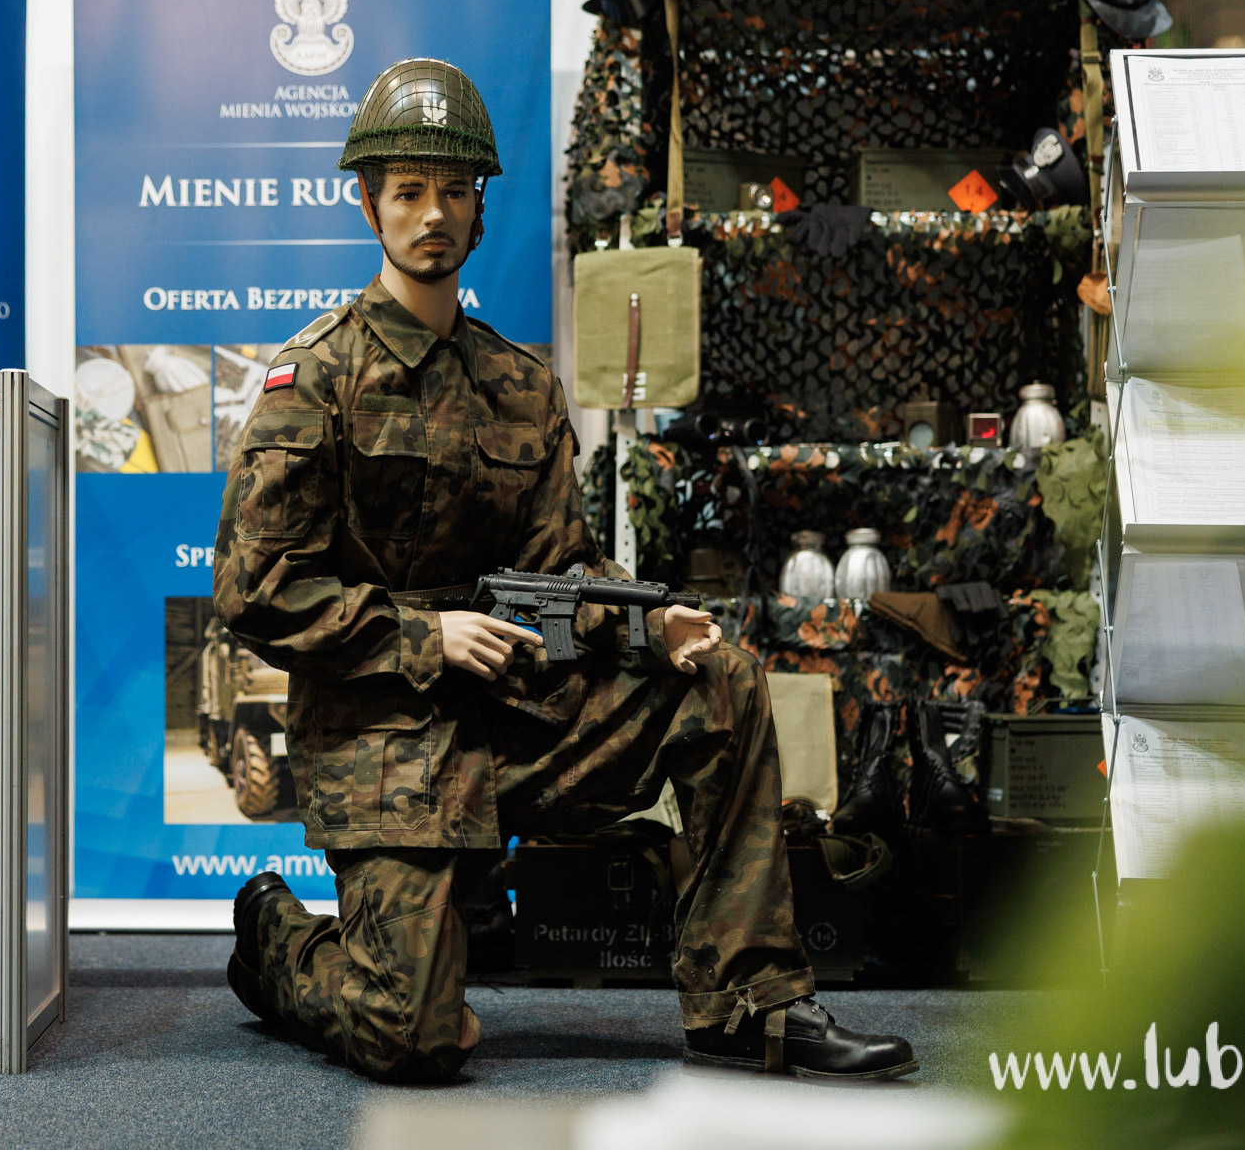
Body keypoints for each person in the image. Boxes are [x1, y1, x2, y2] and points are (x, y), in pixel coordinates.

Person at [211, 57, 916, 1083]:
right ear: (368, 203)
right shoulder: (312, 377)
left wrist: (645, 622)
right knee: (410, 1036)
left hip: (514, 721)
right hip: (385, 739)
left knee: (718, 680)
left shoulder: (519, 384)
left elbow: (559, 568)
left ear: (480, 208)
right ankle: (279, 939)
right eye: (408, 191)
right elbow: (256, 589)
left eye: (454, 190)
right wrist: (427, 635)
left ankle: (750, 1001)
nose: (433, 213)